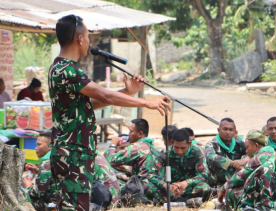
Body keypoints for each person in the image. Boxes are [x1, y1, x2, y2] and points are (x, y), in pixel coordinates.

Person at [49, 15, 170, 211]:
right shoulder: (66, 70)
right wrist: (147, 102)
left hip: (76, 153)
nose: (88, 41)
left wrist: (127, 92)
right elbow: (105, 96)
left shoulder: (64, 68)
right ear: (80, 39)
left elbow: (92, 103)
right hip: (72, 153)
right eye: (87, 36)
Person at [146, 129, 210, 205]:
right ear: (172, 142)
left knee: (204, 188)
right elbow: (151, 174)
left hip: (189, 188)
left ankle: (167, 201)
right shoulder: (165, 153)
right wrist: (165, 185)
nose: (179, 151)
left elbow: (203, 175)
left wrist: (185, 183)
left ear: (189, 144)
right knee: (148, 187)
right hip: (170, 189)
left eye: (183, 148)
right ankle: (187, 201)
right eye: (176, 147)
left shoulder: (197, 152)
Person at [218, 129, 275, 208]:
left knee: (231, 191)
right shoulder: (273, 153)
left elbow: (239, 177)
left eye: (247, 147)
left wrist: (222, 189)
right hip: (274, 193)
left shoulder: (258, 158)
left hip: (263, 198)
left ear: (256, 145)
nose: (246, 151)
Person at [205, 118, 248, 187]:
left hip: (234, 183)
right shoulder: (211, 144)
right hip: (215, 184)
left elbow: (255, 152)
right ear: (218, 130)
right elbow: (210, 156)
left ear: (234, 131)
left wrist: (244, 160)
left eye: (231, 130)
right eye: (225, 129)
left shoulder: (239, 144)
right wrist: (231, 163)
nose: (228, 132)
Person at [23, 131, 57, 211]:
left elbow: (36, 193)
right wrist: (38, 170)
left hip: (51, 205)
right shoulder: (56, 159)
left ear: (50, 146)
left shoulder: (46, 164)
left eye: (39, 144)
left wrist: (28, 186)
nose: (36, 148)